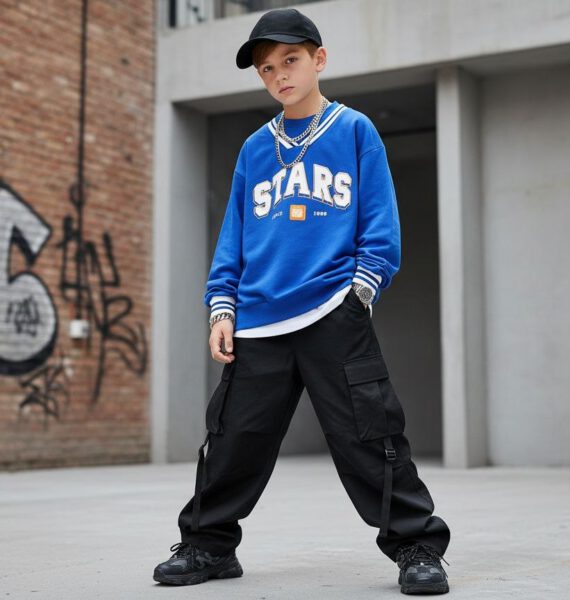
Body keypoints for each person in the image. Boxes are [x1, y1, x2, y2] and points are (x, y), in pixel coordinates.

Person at [153, 7, 451, 595]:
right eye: (266, 69)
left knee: (371, 435)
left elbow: (380, 226)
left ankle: (416, 546)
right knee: (234, 439)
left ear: (319, 59)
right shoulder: (254, 149)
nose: (279, 75)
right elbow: (234, 236)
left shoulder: (354, 130)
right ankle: (209, 546)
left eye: (290, 60)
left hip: (332, 310)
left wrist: (358, 293)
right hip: (259, 319)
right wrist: (222, 307)